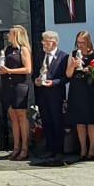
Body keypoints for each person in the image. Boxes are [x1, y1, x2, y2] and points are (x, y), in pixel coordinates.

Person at [32, 30, 70, 167]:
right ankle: (49, 148)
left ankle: (59, 150)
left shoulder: (63, 57)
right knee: (46, 122)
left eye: (45, 41)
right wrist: (36, 80)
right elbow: (36, 73)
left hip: (56, 95)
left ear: (53, 42)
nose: (43, 44)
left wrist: (53, 83)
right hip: (43, 94)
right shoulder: (40, 56)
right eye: (43, 41)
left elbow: (66, 78)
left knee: (57, 122)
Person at [0, 25, 33, 161]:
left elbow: (28, 69)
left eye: (10, 33)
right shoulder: (7, 49)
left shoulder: (23, 49)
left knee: (21, 115)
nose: (8, 35)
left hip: (19, 85)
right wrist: (1, 69)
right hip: (8, 85)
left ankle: (25, 147)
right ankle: (16, 147)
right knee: (12, 116)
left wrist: (10, 71)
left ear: (17, 35)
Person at [65, 31, 94, 161]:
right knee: (79, 121)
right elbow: (68, 74)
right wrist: (73, 65)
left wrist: (89, 70)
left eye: (83, 42)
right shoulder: (73, 54)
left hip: (90, 88)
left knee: (91, 120)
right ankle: (83, 148)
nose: (80, 45)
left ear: (88, 42)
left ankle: (92, 149)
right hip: (77, 88)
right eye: (78, 42)